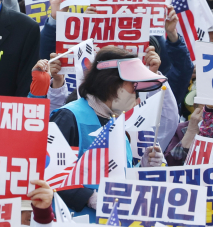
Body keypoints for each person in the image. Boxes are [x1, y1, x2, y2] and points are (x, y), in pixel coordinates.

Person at [49, 48, 167, 218]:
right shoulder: (69, 116)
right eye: (133, 86)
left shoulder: (117, 125)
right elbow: (49, 172)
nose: (136, 94)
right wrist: (89, 197)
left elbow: (119, 178)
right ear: (112, 83)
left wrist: (142, 168)